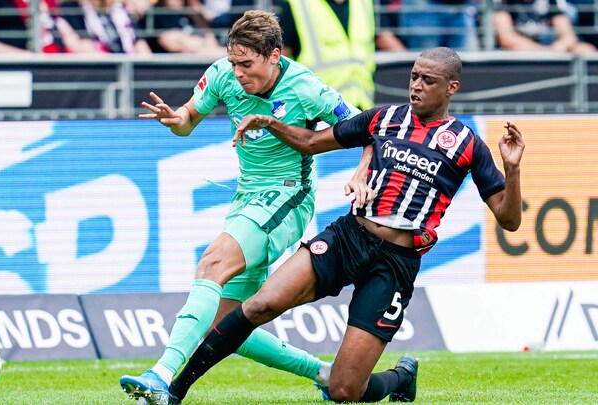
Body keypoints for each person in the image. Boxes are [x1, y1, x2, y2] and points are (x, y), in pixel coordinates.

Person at [163, 46, 526, 403]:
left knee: (344, 390)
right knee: (260, 305)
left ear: (451, 88)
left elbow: (509, 220)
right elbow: (310, 142)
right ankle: (174, 389)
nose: (416, 86)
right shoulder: (383, 118)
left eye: (428, 80)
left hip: (394, 264)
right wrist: (271, 122)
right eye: (414, 76)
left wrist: (512, 170)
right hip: (349, 237)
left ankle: (401, 377)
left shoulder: (467, 144)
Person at [119, 9, 371, 405]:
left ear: (274, 56)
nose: (237, 73)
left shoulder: (306, 87)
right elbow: (188, 119)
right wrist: (176, 118)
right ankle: (324, 374)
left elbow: (368, 128)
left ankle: (161, 375)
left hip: (288, 195)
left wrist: (360, 174)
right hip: (246, 195)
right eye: (233, 62)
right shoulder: (222, 73)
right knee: (223, 324)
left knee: (212, 263)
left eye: (247, 64)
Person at [278, 0, 375, 111]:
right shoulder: (296, 4)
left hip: (363, 106)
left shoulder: (364, 3)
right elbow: (280, 58)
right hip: (318, 109)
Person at [0, 0, 100, 53]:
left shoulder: (51, 4)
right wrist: (26, 57)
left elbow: (76, 43)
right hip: (19, 77)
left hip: (60, 72)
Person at [493, 0, 596, 54]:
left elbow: (568, 36)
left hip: (549, 48)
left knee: (585, 50)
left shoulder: (551, 2)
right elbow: (506, 39)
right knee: (518, 48)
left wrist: (558, 47)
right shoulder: (504, 2)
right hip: (519, 52)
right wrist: (542, 50)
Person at [61, 0, 152, 54]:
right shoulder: (73, 9)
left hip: (127, 64)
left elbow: (140, 44)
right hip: (99, 68)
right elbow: (81, 45)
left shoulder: (121, 9)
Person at [138, 0, 225, 56]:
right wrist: (200, 43)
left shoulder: (193, 11)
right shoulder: (156, 12)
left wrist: (189, 41)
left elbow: (211, 40)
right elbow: (171, 45)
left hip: (203, 60)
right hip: (173, 68)